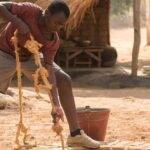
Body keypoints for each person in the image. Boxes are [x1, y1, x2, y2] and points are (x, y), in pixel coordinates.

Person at [0, 0, 100, 148]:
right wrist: (17, 22)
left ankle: (75, 134)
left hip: (30, 58)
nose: (57, 28)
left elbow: (49, 70)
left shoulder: (53, 40)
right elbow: (1, 6)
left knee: (64, 79)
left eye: (61, 25)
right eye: (56, 23)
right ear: (46, 14)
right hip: (4, 53)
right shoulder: (29, 10)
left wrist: (56, 105)